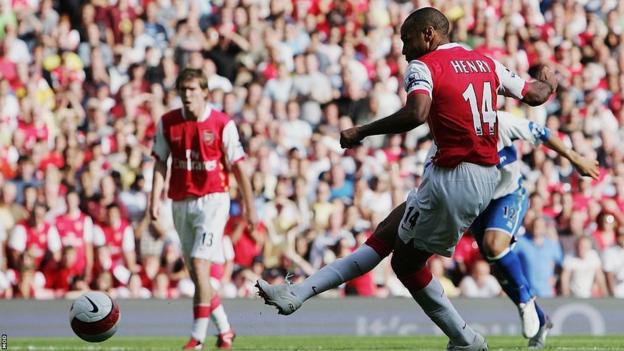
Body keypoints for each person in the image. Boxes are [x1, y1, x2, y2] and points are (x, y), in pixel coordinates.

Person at [258, 7, 558, 351]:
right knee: (385, 235)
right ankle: (298, 293)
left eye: (407, 39)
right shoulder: (484, 62)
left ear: (428, 34)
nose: (403, 50)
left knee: (405, 263)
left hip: (455, 177)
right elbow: (535, 94)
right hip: (479, 175)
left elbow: (417, 113)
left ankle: (466, 340)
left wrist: (363, 130)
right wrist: (550, 82)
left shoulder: (424, 66)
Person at [149, 68, 257, 350]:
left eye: (192, 89)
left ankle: (196, 338)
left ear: (205, 93)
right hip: (180, 201)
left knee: (199, 263)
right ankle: (225, 331)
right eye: (183, 90)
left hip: (213, 199)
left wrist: (250, 207)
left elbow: (240, 167)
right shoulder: (167, 123)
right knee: (198, 275)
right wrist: (154, 198)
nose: (187, 95)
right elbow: (160, 161)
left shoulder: (222, 124)